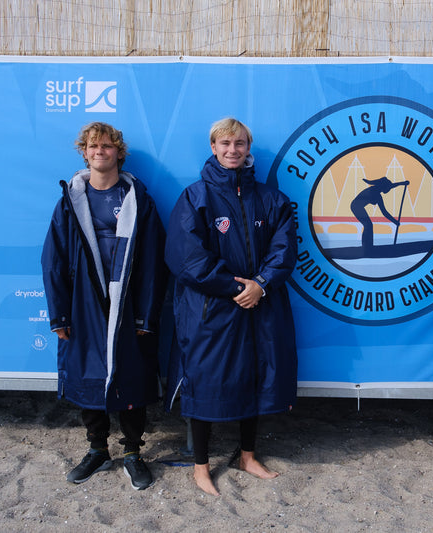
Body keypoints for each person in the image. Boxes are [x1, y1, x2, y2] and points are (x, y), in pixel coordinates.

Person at [165, 117, 298, 496]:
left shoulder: (271, 199)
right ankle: (201, 466)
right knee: (206, 383)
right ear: (213, 147)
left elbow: (285, 249)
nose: (232, 150)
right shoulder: (196, 197)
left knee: (254, 380)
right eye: (225, 144)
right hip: (212, 310)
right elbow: (186, 257)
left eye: (239, 143)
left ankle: (248, 455)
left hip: (260, 305)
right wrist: (234, 286)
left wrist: (261, 284)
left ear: (248, 147)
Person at [41, 122, 166, 490]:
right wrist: (59, 313)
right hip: (84, 305)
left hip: (127, 306)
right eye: (94, 146)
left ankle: (132, 453)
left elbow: (153, 264)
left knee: (131, 374)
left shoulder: (137, 200)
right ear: (84, 152)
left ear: (118, 152)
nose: (100, 152)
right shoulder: (70, 201)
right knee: (89, 374)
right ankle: (97, 450)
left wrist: (146, 312)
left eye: (108, 146)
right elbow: (53, 260)